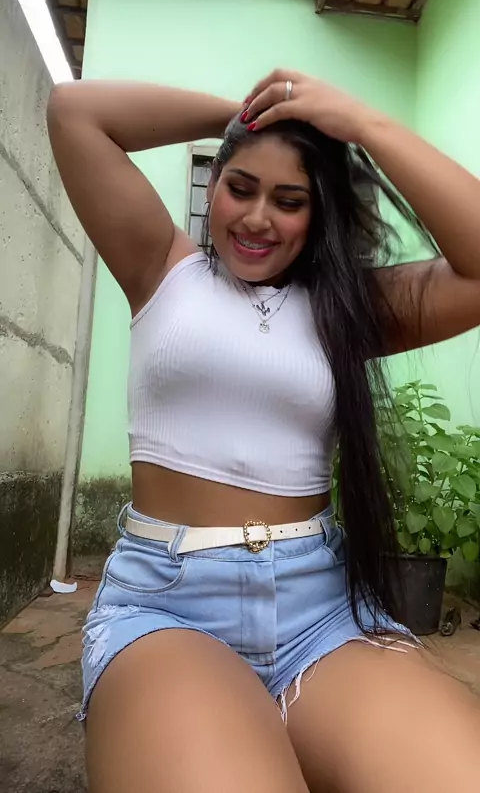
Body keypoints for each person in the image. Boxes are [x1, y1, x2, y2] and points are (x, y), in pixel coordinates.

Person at [48, 69, 480, 793]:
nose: (256, 218)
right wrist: (251, 113)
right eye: (240, 188)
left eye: (289, 201)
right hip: (169, 606)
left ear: (318, 213)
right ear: (214, 184)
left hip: (323, 612)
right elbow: (75, 111)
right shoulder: (163, 270)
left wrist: (359, 123)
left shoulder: (350, 310)